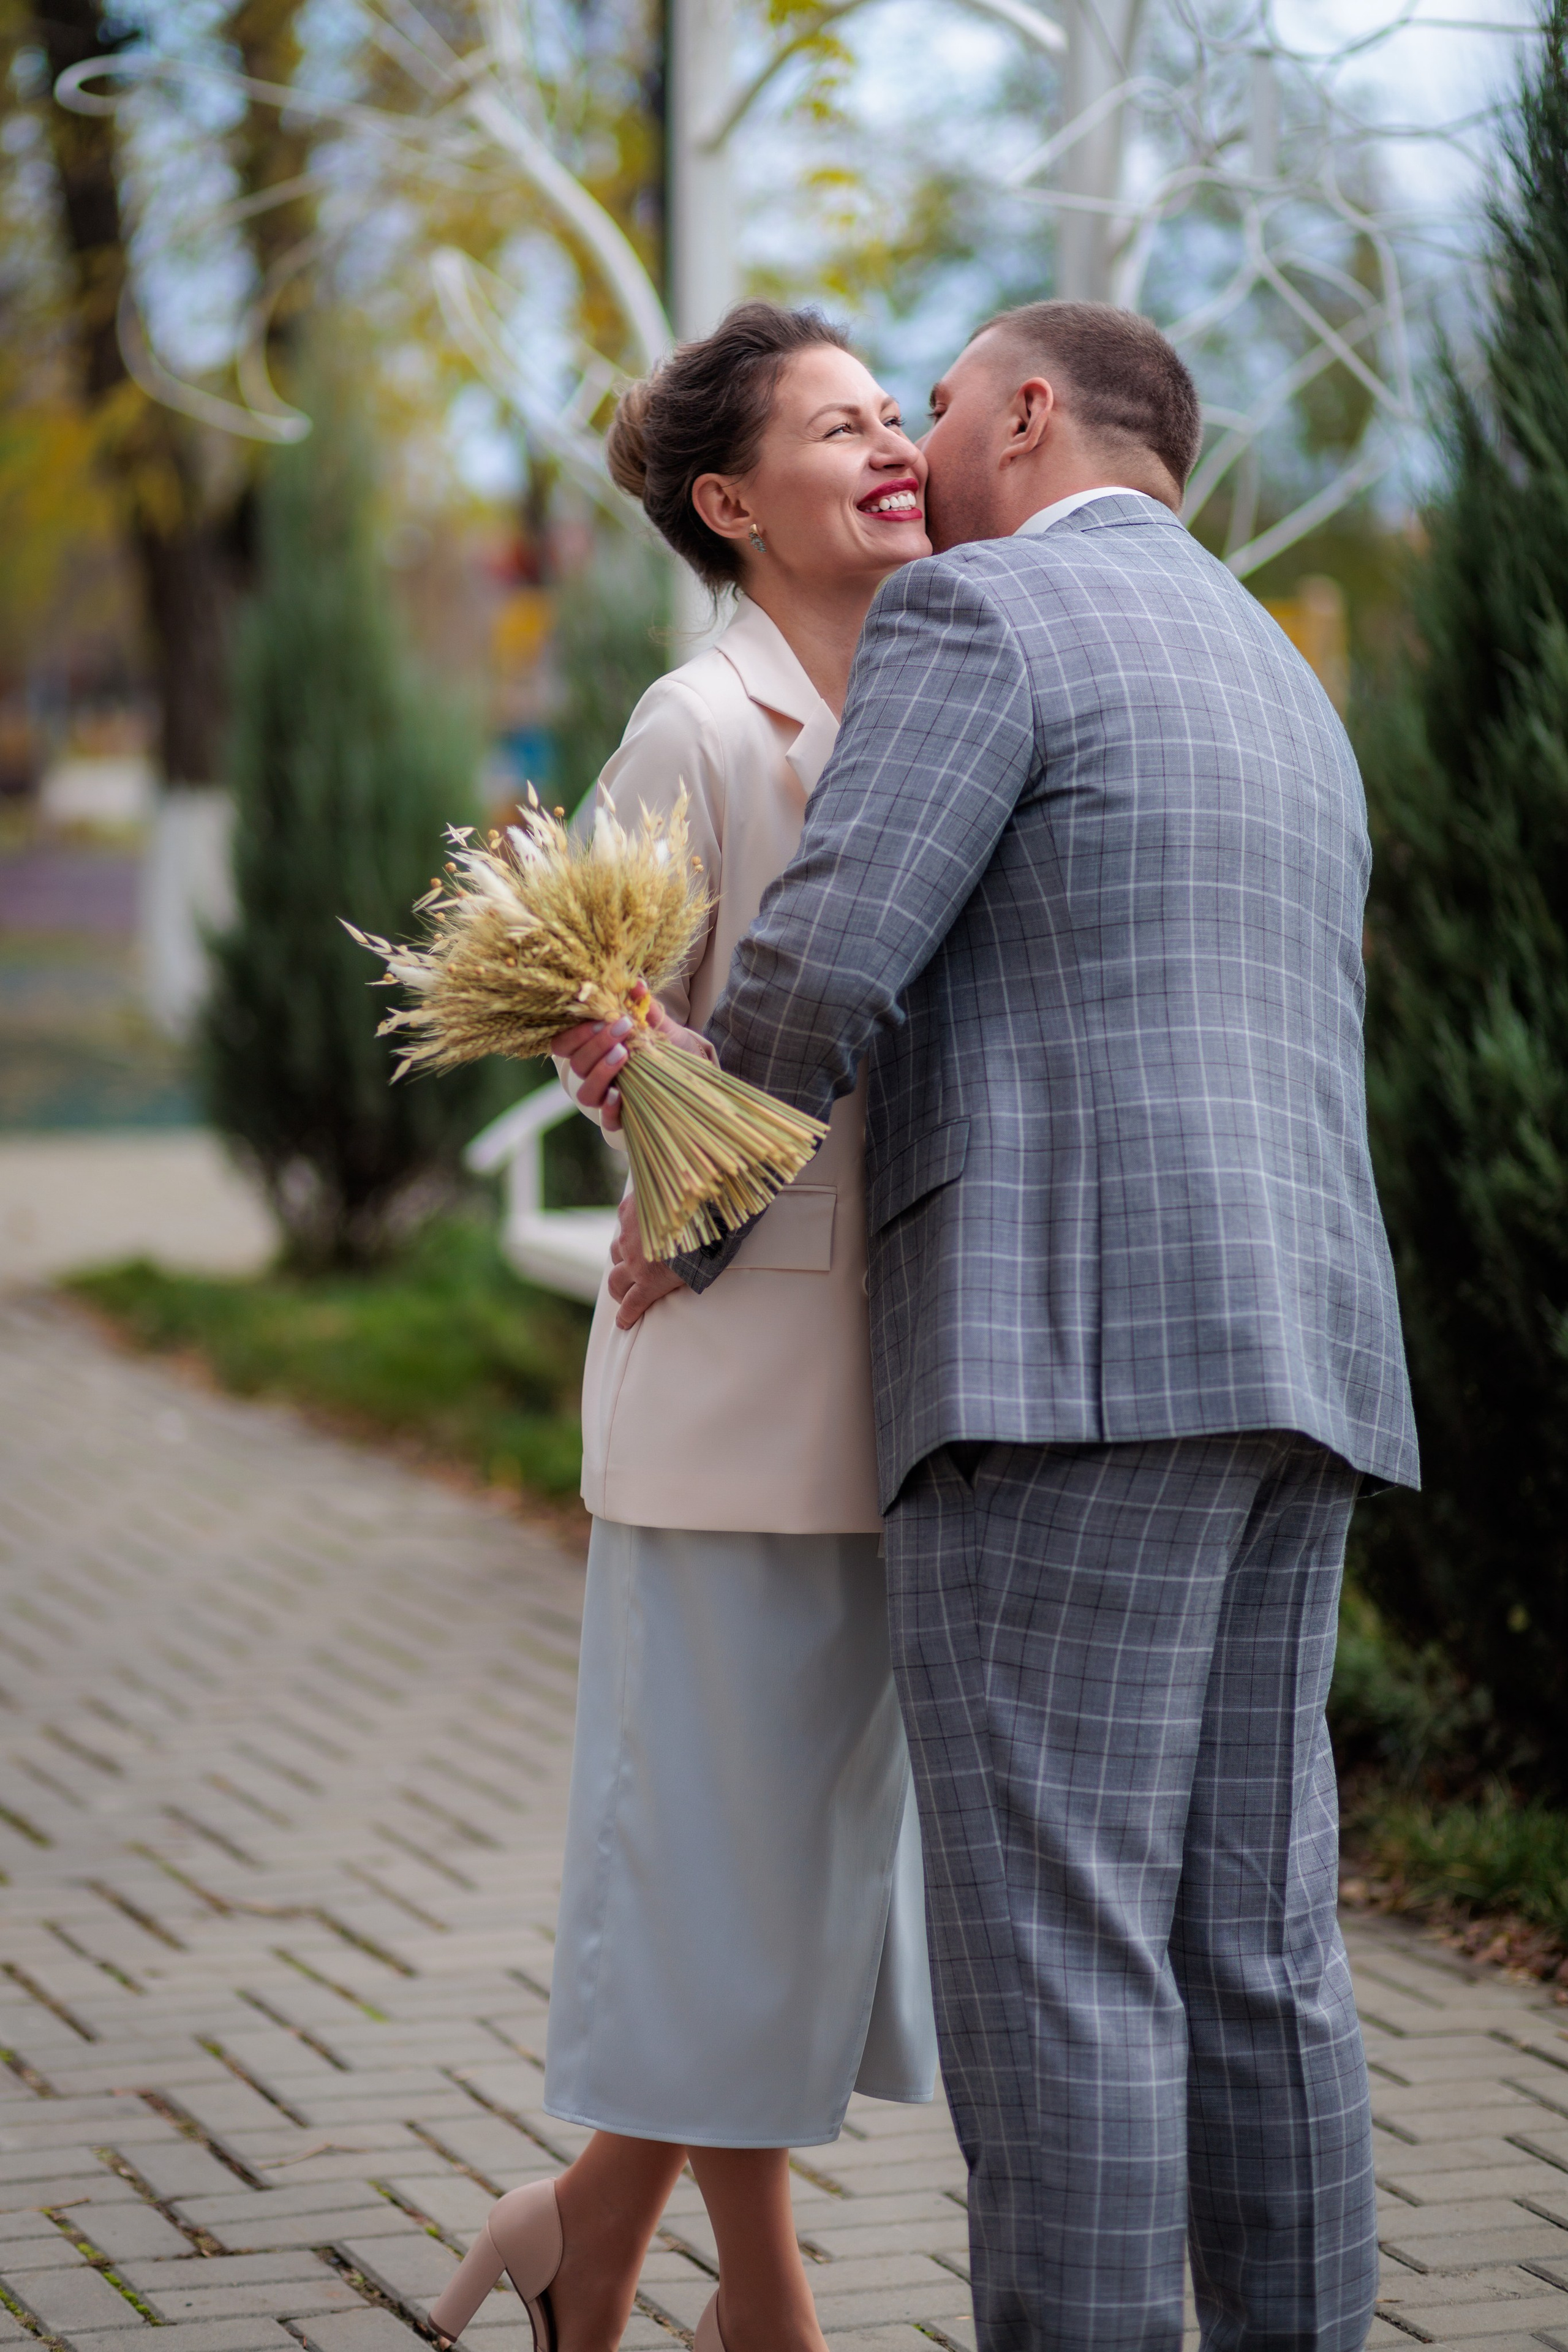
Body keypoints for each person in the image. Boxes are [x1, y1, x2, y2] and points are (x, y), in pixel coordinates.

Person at [567, 301, 1420, 2352]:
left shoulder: (987, 622)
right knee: (1261, 1949)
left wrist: (690, 1202)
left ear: (1026, 412)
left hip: (1069, 1371)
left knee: (1066, 1965)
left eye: (929, 405)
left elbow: (825, 955)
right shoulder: (1278, 672)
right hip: (1305, 1365)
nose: (910, 449)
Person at [431, 302, 938, 2352]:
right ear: (733, 503)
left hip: (899, 1380)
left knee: (799, 1877)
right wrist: (681, 1149)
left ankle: (585, 2242)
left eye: (895, 412)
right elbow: (604, 1031)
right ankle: (770, 2302)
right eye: (843, 428)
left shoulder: (921, 686)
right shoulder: (693, 724)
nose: (894, 445)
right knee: (726, 1868)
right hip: (733, 1389)